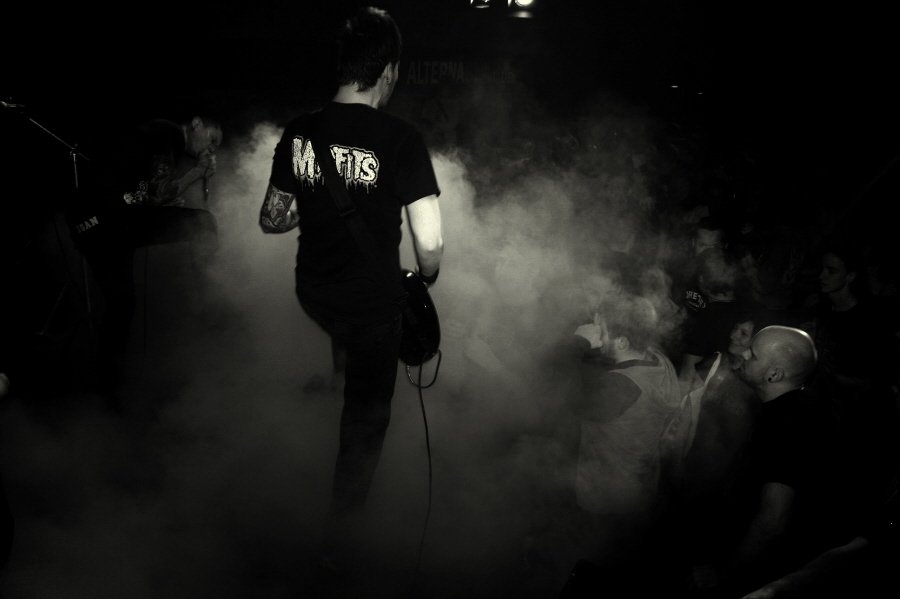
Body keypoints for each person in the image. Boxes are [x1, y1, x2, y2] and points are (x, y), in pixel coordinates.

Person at [257, 4, 443, 583]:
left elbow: (272, 219)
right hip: (367, 308)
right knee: (366, 419)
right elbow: (430, 248)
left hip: (313, 291)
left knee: (342, 320)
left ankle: (336, 377)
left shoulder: (299, 131)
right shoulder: (402, 139)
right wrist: (427, 276)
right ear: (387, 71)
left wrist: (317, 203)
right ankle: (339, 541)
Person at [69, 113, 222, 403]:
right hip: (110, 223)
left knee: (121, 305)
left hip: (93, 225)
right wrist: (197, 172)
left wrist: (160, 200)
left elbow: (148, 194)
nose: (211, 148)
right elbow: (159, 192)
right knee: (202, 222)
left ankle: (108, 390)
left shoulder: (152, 138)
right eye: (212, 139)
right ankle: (211, 310)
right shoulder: (168, 135)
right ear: (197, 124)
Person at [687, 325, 847, 598]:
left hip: (763, 573)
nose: (744, 354)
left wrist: (723, 574)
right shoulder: (786, 408)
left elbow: (773, 520)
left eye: (753, 354)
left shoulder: (789, 424)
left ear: (774, 374)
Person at [558, 293, 682, 597]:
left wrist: (577, 344)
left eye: (600, 328)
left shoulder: (621, 386)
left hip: (606, 494)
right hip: (639, 485)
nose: (593, 331)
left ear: (623, 342)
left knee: (593, 566)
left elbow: (558, 399)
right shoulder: (658, 359)